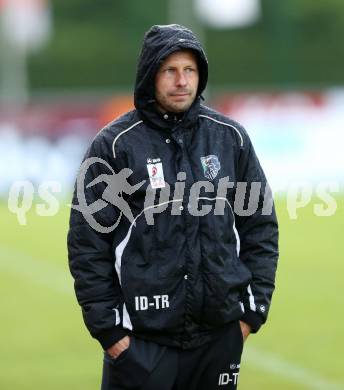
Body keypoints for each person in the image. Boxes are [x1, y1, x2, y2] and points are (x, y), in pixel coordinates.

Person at [67, 24, 279, 390]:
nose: (182, 81)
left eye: (190, 70)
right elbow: (87, 242)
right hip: (140, 345)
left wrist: (250, 314)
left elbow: (261, 226)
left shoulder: (231, 138)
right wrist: (111, 333)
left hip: (219, 338)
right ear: (151, 74)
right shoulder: (114, 146)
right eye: (170, 70)